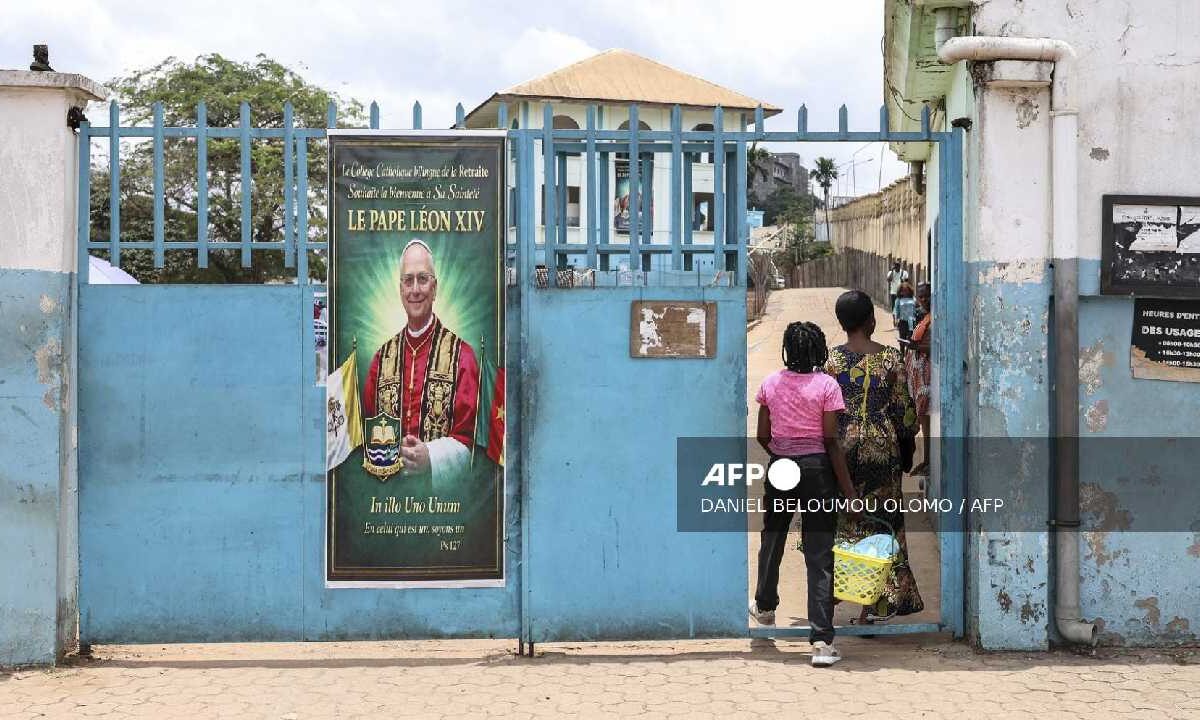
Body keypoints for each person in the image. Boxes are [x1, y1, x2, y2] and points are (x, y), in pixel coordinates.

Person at [750, 321, 858, 667]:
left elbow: (762, 434)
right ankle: (822, 644)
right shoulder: (827, 386)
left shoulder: (770, 384)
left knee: (773, 537)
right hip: (818, 471)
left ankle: (765, 608)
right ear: (819, 350)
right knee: (819, 553)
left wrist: (782, 453)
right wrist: (849, 491)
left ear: (787, 349)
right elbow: (831, 441)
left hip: (782, 465)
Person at [826, 290, 924, 623]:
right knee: (885, 525)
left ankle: (834, 594)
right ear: (872, 319)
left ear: (841, 323)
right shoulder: (891, 359)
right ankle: (870, 610)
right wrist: (907, 452)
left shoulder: (831, 362)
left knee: (843, 522)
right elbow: (904, 413)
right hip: (883, 450)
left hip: (841, 450)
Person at [362, 239, 480, 487]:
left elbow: (473, 443)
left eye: (423, 279)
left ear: (435, 288)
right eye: (408, 280)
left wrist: (432, 458)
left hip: (442, 509)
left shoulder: (463, 357)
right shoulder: (381, 359)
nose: (415, 289)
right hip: (388, 503)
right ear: (400, 289)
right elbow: (364, 430)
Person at [906, 283, 933, 475]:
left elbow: (937, 347)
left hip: (926, 381)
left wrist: (917, 348)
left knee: (925, 421)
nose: (923, 300)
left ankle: (928, 460)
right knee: (923, 422)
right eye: (920, 296)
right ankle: (926, 459)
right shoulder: (923, 316)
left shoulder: (935, 318)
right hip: (919, 380)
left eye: (926, 296)